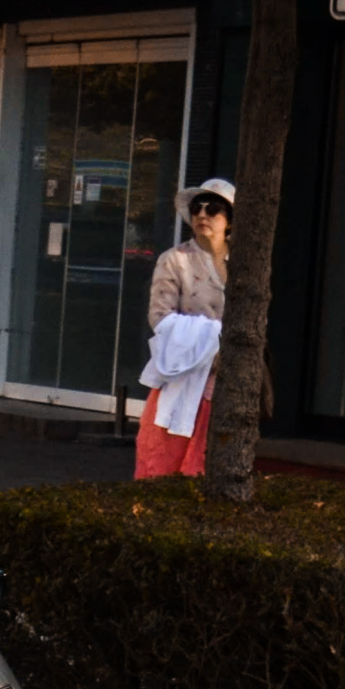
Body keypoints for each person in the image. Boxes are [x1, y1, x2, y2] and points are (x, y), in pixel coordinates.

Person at [134, 179, 233, 480]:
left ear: (230, 219)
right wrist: (206, 344)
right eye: (196, 208)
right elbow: (160, 317)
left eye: (213, 209)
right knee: (163, 456)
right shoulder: (174, 260)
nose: (203, 214)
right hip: (183, 372)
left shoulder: (246, 263)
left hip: (230, 377)